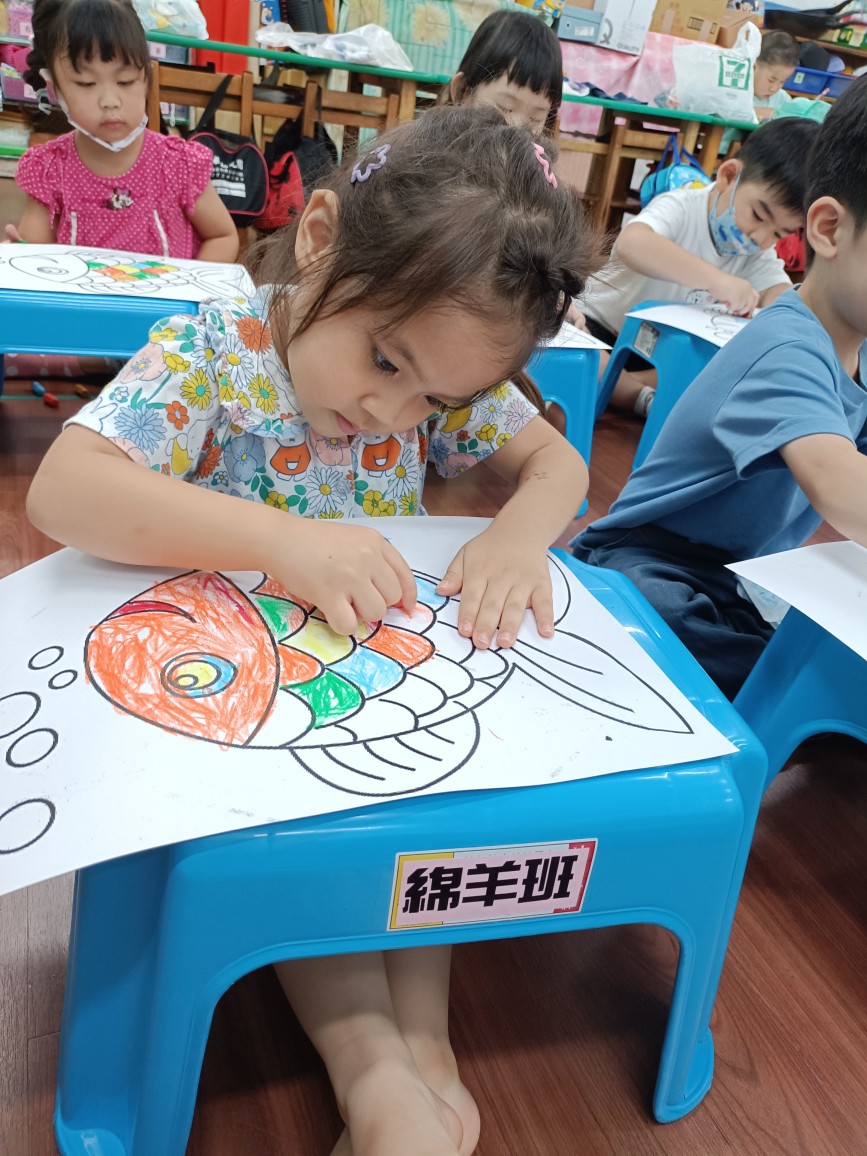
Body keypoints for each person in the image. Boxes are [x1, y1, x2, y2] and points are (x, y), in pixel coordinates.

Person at [27, 106, 600, 1156]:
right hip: (236, 707)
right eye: (383, 362)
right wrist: (281, 540)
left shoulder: (433, 372)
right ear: (322, 240)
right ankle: (372, 1069)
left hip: (365, 682)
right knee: (316, 846)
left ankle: (427, 1059)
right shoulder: (215, 352)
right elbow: (62, 490)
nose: (394, 414)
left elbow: (559, 466)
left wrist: (519, 539)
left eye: (435, 398)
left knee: (419, 826)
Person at [572, 76, 867, 700]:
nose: (760, 238)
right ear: (828, 229)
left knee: (796, 648)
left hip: (733, 576)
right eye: (760, 217)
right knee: (708, 636)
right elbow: (843, 487)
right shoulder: (789, 346)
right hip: (645, 558)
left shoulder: (853, 352)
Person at [580, 116, 820, 415]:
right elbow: (632, 244)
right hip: (600, 330)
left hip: (659, 356)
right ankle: (638, 397)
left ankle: (622, 388)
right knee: (575, 347)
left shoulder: (756, 252)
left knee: (712, 366)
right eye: (758, 216)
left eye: (779, 234)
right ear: (729, 176)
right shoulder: (682, 206)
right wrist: (717, 280)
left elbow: (781, 293)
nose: (760, 238)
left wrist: (776, 312)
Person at [8, 0, 237, 260]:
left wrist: (190, 284)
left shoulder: (179, 164)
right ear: (54, 87)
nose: (110, 101)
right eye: (86, 83)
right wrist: (19, 256)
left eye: (125, 81)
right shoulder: (49, 170)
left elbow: (223, 236)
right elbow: (36, 252)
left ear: (146, 79)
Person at [441, 8, 563, 135]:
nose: (519, 132)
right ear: (462, 92)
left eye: (535, 119)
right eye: (505, 107)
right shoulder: (434, 144)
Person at [719, 30, 800, 154]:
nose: (774, 88)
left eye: (782, 81)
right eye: (771, 80)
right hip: (719, 154)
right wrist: (770, 113)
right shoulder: (736, 88)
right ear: (754, 67)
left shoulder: (783, 100)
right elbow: (728, 112)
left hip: (758, 160)